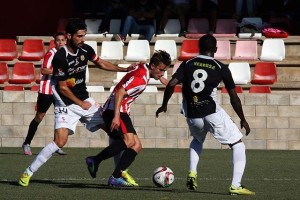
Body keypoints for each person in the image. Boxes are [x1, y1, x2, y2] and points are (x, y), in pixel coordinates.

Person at [18, 19, 133, 187]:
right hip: (65, 104)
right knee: (60, 142)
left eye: (84, 36)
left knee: (114, 131)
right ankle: (28, 172)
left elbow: (100, 63)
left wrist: (124, 69)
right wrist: (80, 103)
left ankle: (117, 174)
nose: (83, 39)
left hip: (84, 99)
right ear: (69, 36)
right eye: (79, 36)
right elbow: (63, 88)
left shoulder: (85, 49)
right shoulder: (60, 57)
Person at [156, 34, 255, 195]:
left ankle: (192, 172)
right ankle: (236, 186)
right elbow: (234, 98)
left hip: (192, 115)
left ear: (199, 48)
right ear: (215, 49)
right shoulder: (221, 67)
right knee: (238, 144)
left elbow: (172, 84)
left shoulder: (187, 63)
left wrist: (164, 105)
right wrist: (243, 119)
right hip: (211, 112)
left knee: (197, 139)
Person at [85, 50, 172, 187]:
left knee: (137, 146)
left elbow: (139, 67)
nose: (162, 73)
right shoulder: (141, 80)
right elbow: (120, 92)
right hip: (116, 111)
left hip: (119, 110)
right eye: (161, 70)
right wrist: (116, 116)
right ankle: (98, 162)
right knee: (130, 141)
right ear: (153, 66)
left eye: (164, 71)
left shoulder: (144, 67)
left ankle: (112, 173)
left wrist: (159, 77)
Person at [22, 32, 67, 156]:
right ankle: (26, 143)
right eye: (58, 40)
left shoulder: (67, 54)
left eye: (63, 40)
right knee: (39, 116)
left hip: (60, 90)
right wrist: (60, 72)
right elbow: (44, 70)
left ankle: (56, 145)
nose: (61, 42)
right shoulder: (51, 53)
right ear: (55, 42)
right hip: (47, 89)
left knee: (60, 117)